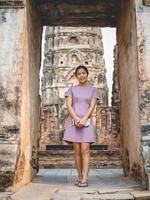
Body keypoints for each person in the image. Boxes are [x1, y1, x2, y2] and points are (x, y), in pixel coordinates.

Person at [63, 65, 100, 187]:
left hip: (87, 122)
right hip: (74, 122)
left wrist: (84, 118)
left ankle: (85, 178)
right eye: (79, 73)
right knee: (77, 151)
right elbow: (69, 105)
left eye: (83, 73)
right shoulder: (71, 90)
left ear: (87, 74)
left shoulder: (93, 90)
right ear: (76, 76)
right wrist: (76, 118)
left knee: (85, 149)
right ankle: (79, 176)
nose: (81, 75)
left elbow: (92, 106)